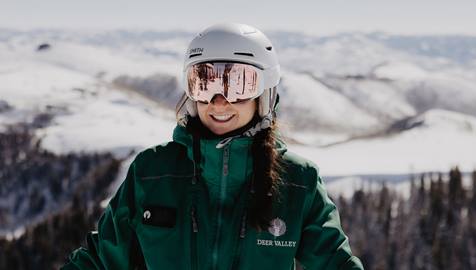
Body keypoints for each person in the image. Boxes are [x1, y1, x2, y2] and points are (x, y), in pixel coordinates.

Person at [62, 23, 364, 270]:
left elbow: (336, 263)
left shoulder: (298, 181)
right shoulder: (153, 172)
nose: (220, 101)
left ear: (265, 94)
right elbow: (99, 260)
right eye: (204, 83)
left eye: (238, 84)